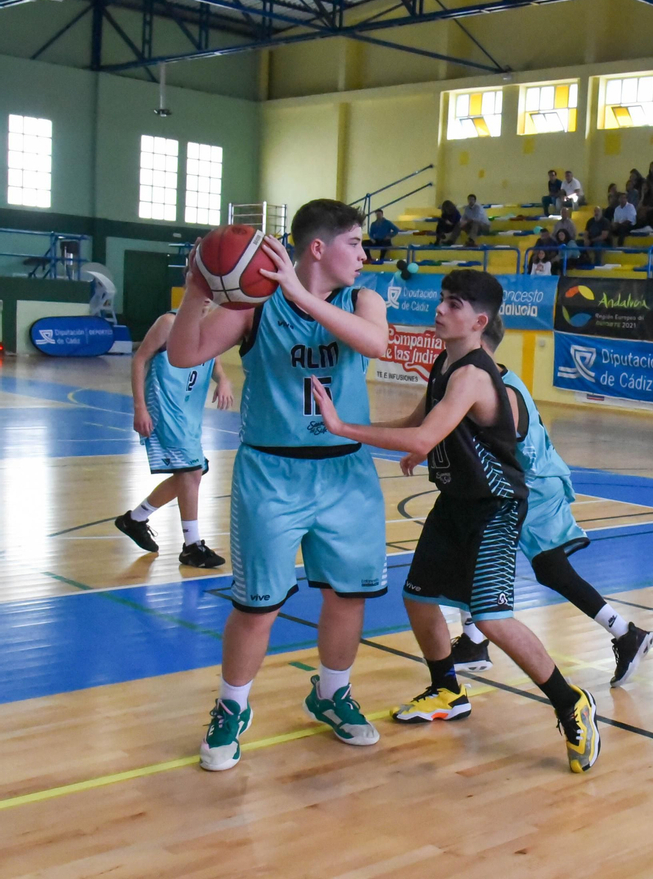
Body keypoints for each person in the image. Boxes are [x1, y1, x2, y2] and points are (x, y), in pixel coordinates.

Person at [310, 269, 601, 772]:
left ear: (479, 320)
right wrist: (366, 435)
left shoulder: (473, 375)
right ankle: (447, 689)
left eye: (454, 303)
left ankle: (569, 701)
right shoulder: (444, 364)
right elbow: (418, 425)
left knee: (490, 617)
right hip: (457, 502)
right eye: (442, 299)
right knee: (419, 597)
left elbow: (423, 440)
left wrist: (342, 426)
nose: (440, 309)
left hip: (495, 508)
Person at [167, 199, 389, 771]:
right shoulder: (256, 308)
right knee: (257, 605)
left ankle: (332, 693)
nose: (364, 255)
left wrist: (301, 293)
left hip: (346, 472)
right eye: (354, 243)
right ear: (318, 248)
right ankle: (231, 708)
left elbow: (375, 344)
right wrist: (197, 289)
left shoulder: (365, 300)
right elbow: (183, 352)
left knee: (347, 595)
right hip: (272, 473)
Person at [449, 317, 653, 686]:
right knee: (543, 567)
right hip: (532, 481)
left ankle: (475, 642)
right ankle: (625, 634)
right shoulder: (486, 378)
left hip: (534, 486)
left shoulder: (493, 388)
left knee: (482, 551)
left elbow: (499, 449)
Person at [116, 308, 234, 568]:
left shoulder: (211, 323)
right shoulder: (169, 323)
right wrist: (140, 408)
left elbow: (212, 358)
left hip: (189, 409)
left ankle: (135, 520)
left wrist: (223, 379)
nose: (205, 301)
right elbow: (140, 360)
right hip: (165, 409)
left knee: (192, 472)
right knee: (191, 471)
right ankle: (192, 546)